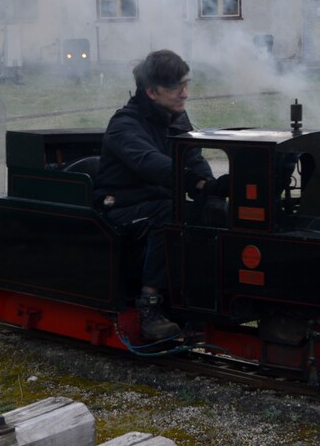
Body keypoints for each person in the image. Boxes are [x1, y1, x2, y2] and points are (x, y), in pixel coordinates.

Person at [93, 50, 223, 341]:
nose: (185, 94)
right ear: (151, 91)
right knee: (167, 212)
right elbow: (150, 163)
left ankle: (198, 300)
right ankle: (149, 304)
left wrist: (211, 190)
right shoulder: (124, 124)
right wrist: (195, 183)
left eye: (186, 84)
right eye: (176, 87)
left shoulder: (176, 118)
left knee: (210, 212)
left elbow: (193, 158)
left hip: (159, 202)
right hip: (120, 207)